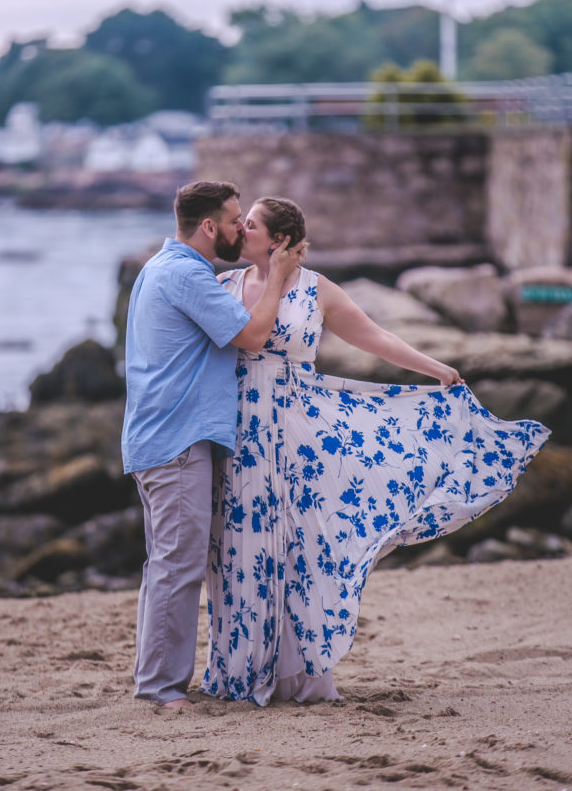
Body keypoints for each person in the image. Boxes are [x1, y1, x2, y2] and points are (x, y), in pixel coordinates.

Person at [202, 196, 550, 707]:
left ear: (276, 240)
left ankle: (297, 674)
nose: (240, 230)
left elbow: (375, 336)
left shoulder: (316, 289)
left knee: (304, 548)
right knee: (239, 550)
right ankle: (240, 668)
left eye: (250, 225)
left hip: (303, 434)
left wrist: (434, 369)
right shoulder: (224, 286)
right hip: (240, 435)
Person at [122, 181, 303, 711]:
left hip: (158, 437)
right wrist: (280, 278)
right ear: (208, 227)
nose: (239, 229)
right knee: (178, 568)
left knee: (165, 566)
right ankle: (159, 690)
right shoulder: (187, 274)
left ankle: (155, 681)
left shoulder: (162, 267)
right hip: (178, 440)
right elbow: (251, 336)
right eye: (232, 220)